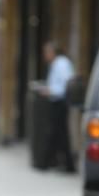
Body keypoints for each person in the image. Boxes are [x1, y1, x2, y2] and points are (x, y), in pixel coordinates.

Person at [42, 41, 76, 173]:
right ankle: (56, 162)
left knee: (59, 133)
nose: (45, 56)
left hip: (60, 102)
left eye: (46, 52)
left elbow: (66, 84)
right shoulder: (57, 63)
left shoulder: (61, 64)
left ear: (52, 52)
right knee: (58, 133)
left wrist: (51, 91)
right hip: (56, 101)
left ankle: (54, 162)